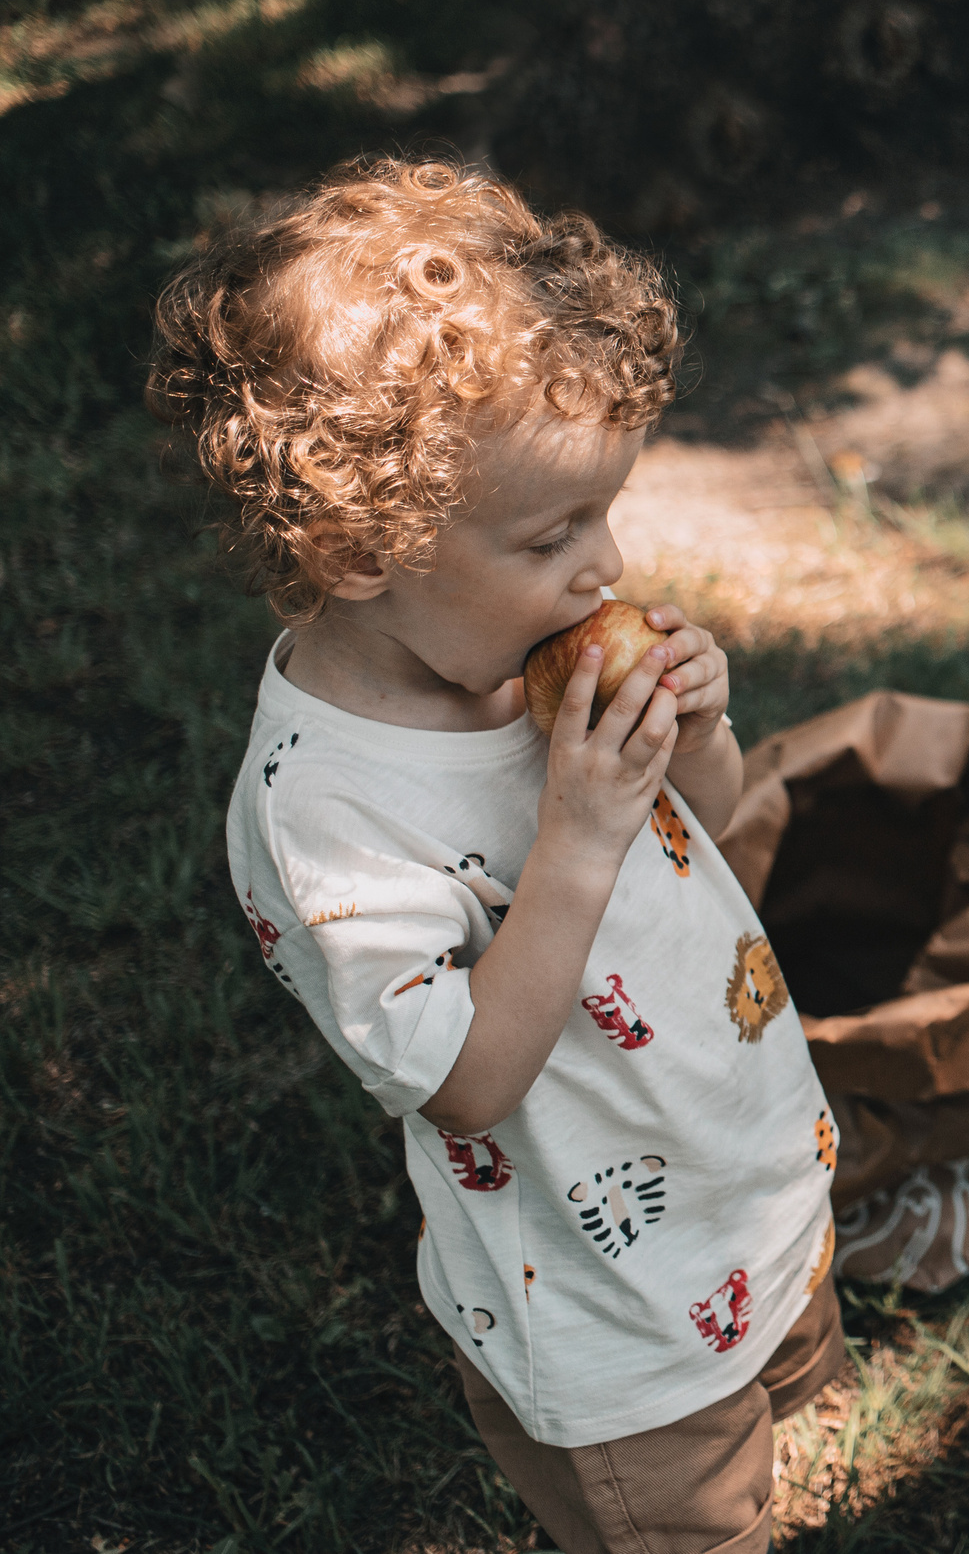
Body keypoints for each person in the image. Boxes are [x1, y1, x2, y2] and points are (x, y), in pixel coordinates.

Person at [151, 158, 842, 1554]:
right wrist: (577, 837)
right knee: (690, 1515)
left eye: (606, 510)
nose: (607, 566)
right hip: (606, 1298)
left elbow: (712, 830)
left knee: (780, 1376)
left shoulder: (534, 656)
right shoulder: (328, 811)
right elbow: (462, 1084)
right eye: (550, 534)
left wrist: (695, 736)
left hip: (732, 1163)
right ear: (361, 548)